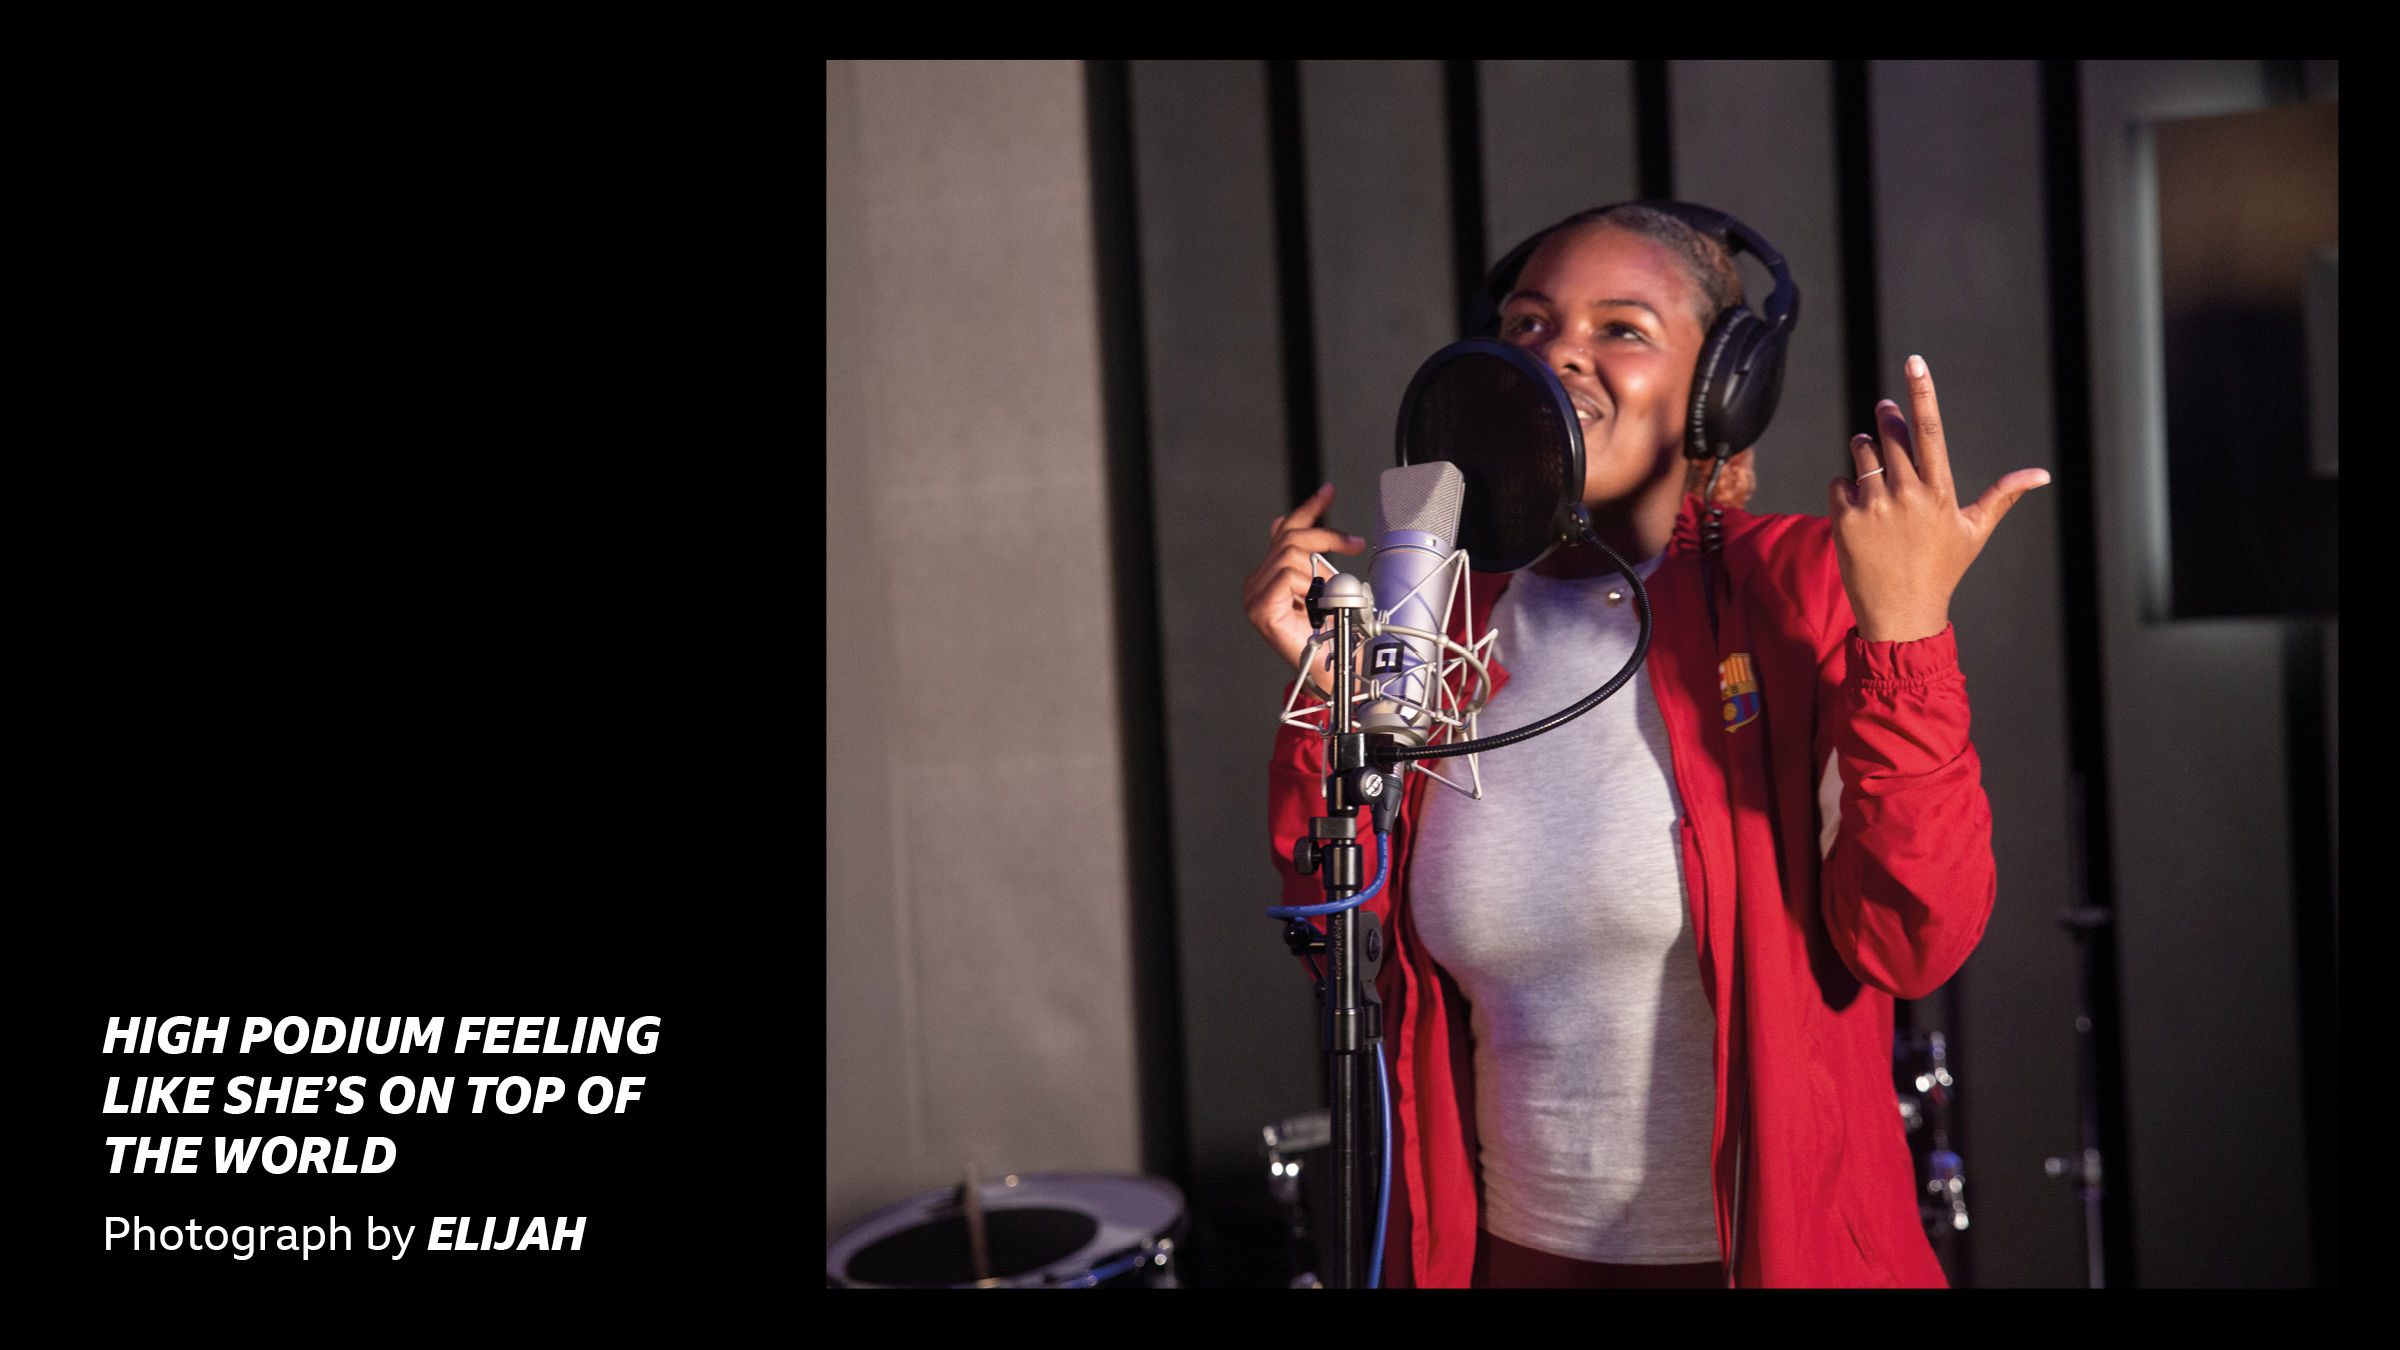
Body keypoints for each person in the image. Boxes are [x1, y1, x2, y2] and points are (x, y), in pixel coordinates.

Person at [1242, 204, 2049, 1288]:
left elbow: (1913, 938)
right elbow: (1349, 948)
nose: (1558, 352)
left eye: (1621, 327)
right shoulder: (1432, 620)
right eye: (1528, 325)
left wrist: (1904, 637)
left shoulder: (1801, 588)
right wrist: (1332, 713)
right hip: (1509, 1264)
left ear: (1722, 390)